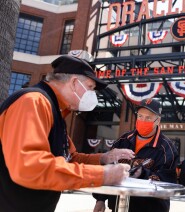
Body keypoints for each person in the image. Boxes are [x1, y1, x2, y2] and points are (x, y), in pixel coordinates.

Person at [0, 55, 135, 212]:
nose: (93, 95)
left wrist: (104, 158)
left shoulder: (55, 111)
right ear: (74, 83)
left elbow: (70, 158)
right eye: (91, 87)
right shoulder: (33, 102)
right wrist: (102, 175)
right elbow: (29, 166)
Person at [93, 98, 179, 212]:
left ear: (158, 120)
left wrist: (143, 173)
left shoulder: (166, 148)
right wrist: (100, 199)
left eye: (148, 118)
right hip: (119, 206)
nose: (143, 120)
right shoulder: (123, 140)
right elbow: (107, 170)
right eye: (140, 116)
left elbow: (166, 183)